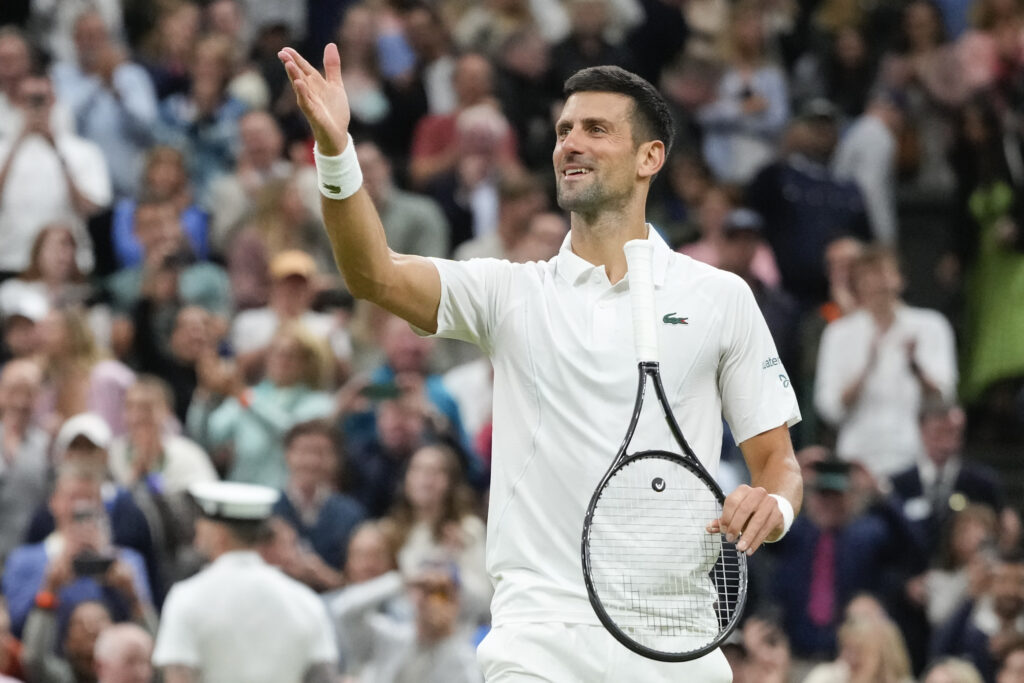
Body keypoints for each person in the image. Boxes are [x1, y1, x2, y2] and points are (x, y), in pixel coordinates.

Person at [279, 45, 803, 681]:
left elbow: (777, 464)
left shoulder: (721, 298)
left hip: (678, 640)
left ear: (650, 158)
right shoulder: (510, 293)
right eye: (563, 131)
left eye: (595, 129)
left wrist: (775, 507)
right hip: (538, 642)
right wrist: (335, 150)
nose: (570, 143)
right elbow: (373, 273)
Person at [152, 481, 337, 682]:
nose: (196, 533)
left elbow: (178, 676)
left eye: (201, 526)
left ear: (219, 534)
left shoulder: (186, 598)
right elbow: (323, 677)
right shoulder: (305, 602)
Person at [814, 247, 958, 478]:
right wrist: (866, 367)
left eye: (884, 273)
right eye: (868, 276)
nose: (878, 283)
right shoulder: (838, 334)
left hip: (913, 457)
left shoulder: (931, 326)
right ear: (857, 286)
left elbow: (945, 399)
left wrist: (916, 367)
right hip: (856, 459)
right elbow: (829, 408)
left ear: (900, 279)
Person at [0, 360, 51, 566]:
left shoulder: (47, 445)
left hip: (27, 560)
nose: (21, 401)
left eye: (29, 392)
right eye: (14, 391)